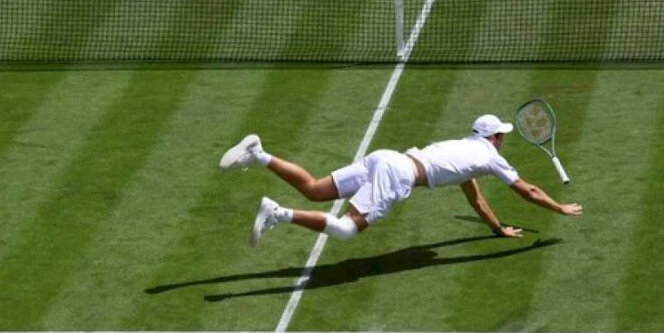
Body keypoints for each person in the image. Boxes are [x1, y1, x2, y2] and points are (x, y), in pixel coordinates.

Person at [219, 114, 583, 246]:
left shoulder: (463, 149)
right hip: (398, 174)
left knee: (314, 189)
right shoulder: (490, 157)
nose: (503, 140)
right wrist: (559, 207)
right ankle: (277, 213)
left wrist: (496, 227)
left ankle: (259, 154)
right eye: (502, 135)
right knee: (346, 230)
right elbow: (527, 190)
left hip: (387, 157)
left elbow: (473, 196)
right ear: (495, 139)